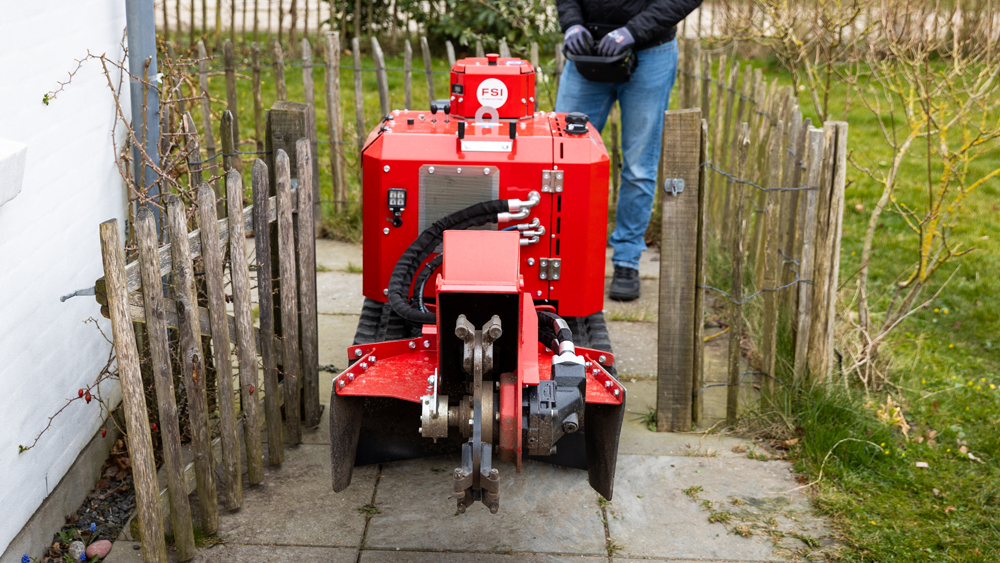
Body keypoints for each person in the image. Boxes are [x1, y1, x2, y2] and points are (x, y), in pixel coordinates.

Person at [555, 0, 702, 301]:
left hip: (650, 54)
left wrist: (633, 31)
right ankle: (559, 255)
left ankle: (626, 261)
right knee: (561, 158)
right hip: (587, 50)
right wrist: (571, 23)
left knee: (638, 165)